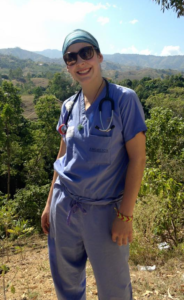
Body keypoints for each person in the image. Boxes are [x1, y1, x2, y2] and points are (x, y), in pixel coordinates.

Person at [41, 29, 147, 300]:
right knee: (66, 286)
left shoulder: (124, 100)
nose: (80, 62)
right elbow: (62, 156)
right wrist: (49, 202)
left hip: (105, 212)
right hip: (64, 208)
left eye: (86, 53)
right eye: (71, 58)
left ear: (99, 56)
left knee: (114, 289)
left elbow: (138, 158)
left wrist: (125, 215)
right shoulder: (68, 106)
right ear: (67, 67)